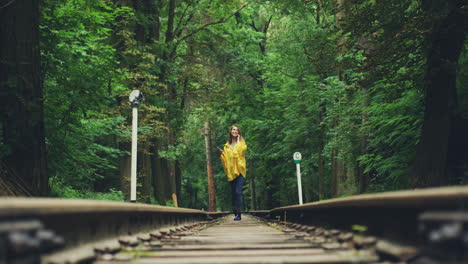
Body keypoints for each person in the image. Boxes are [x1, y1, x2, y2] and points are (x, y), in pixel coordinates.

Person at [218, 125, 247, 221]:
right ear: (230, 132)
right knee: (233, 194)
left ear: (239, 132)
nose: (235, 131)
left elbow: (238, 153)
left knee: (238, 192)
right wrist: (222, 154)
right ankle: (235, 212)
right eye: (233, 129)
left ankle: (239, 214)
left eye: (236, 130)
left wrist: (238, 141)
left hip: (240, 171)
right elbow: (226, 161)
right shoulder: (227, 146)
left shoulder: (242, 143)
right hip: (231, 173)